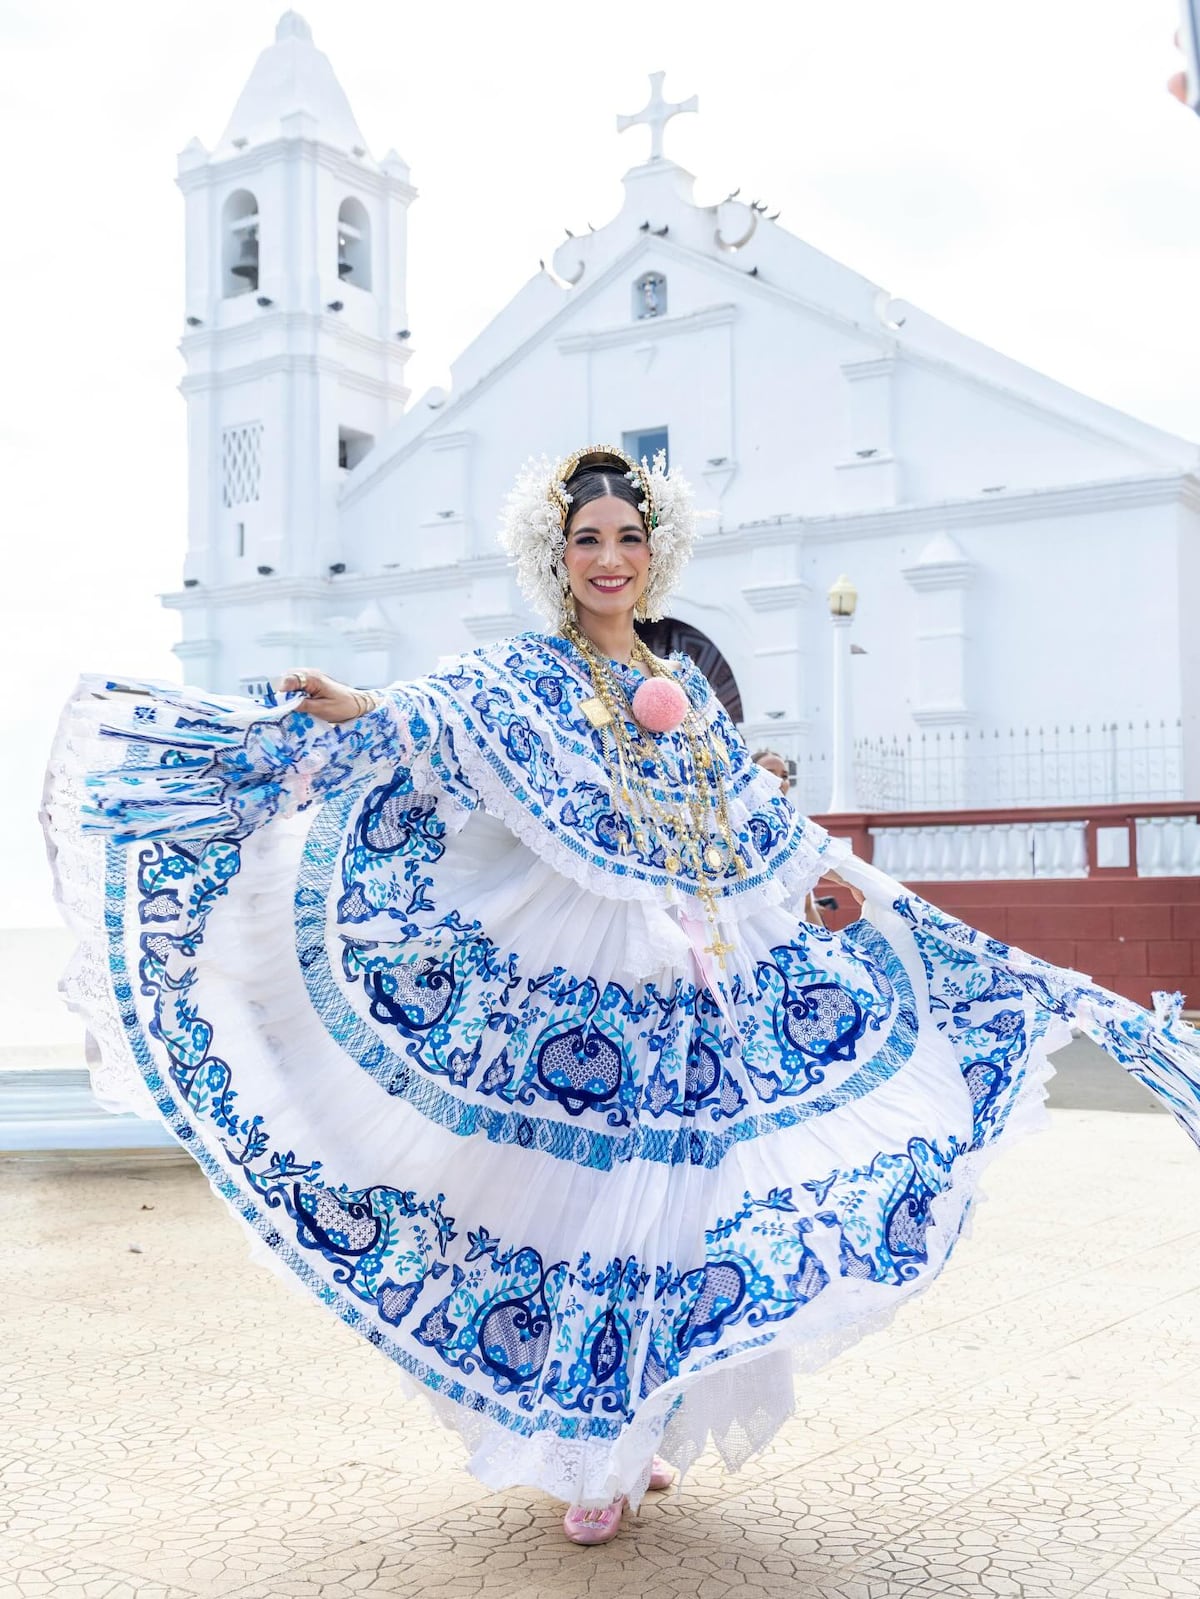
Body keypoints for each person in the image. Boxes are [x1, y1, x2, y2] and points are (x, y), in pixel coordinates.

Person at [43, 445, 1200, 1547]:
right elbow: (433, 721)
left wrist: (833, 891)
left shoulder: (680, 684)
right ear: (556, 556)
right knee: (584, 1210)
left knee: (682, 1212)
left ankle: (631, 1426)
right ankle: (588, 1453)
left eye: (629, 537)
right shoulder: (528, 672)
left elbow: (751, 817)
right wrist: (354, 707)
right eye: (587, 538)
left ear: (657, 552)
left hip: (703, 986)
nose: (610, 558)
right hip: (580, 986)